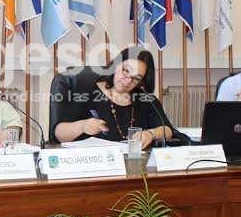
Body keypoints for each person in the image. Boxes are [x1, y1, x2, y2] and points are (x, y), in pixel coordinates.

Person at [51, 47, 187, 149]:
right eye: (125, 71)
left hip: (135, 168)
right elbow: (58, 134)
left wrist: (150, 134)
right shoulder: (85, 92)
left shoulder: (145, 99)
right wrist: (81, 126)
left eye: (136, 78)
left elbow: (168, 130)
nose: (127, 81)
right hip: (92, 168)